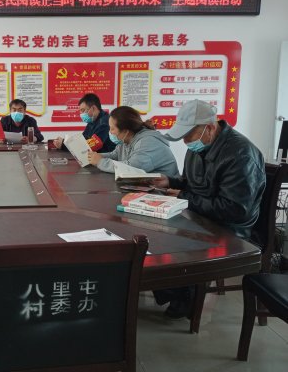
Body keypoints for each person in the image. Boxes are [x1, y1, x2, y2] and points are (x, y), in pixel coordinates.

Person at [151, 99, 266, 319]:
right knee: (154, 229)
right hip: (201, 216)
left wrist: (183, 198)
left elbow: (235, 210)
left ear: (210, 128)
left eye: (188, 135)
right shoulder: (199, 146)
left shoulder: (241, 154)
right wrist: (171, 182)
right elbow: (192, 183)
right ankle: (176, 291)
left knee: (171, 240)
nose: (185, 142)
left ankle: (185, 295)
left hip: (229, 228)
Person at [87, 106, 179, 177]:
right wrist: (95, 157)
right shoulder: (126, 139)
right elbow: (115, 155)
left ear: (126, 131)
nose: (110, 132)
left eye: (112, 128)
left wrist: (101, 162)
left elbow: (132, 169)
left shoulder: (148, 142)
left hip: (167, 191)